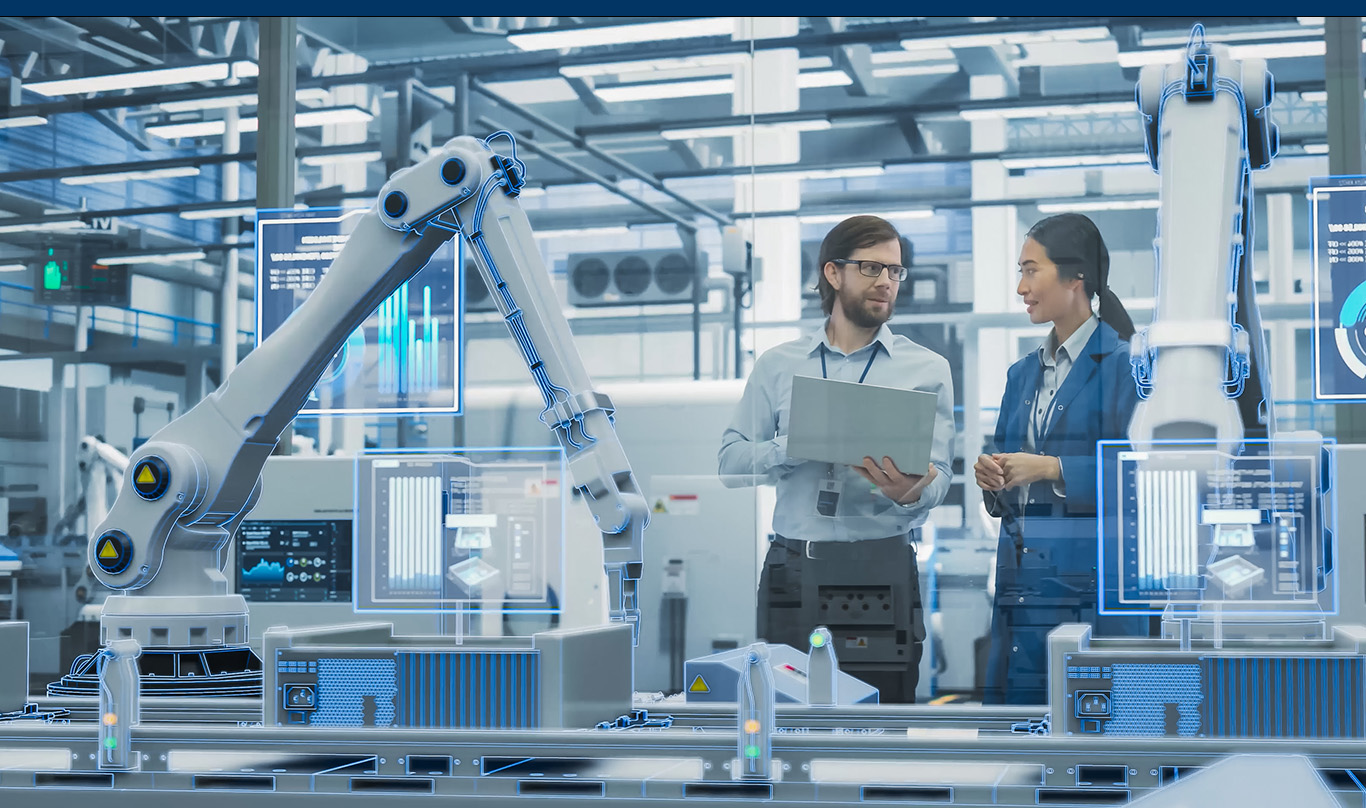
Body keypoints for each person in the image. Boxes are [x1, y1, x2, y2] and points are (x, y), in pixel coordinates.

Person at [718, 215, 955, 704]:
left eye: (895, 272)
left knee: (882, 724)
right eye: (872, 268)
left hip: (882, 566)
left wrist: (910, 491)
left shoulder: (927, 369)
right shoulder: (778, 365)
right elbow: (730, 463)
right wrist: (794, 445)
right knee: (787, 719)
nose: (886, 282)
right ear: (833, 273)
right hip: (795, 570)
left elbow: (940, 476)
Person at [975, 212, 1149, 705]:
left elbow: (1144, 477)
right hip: (1021, 585)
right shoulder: (1021, 374)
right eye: (1020, 271)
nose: (1020, 286)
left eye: (1031, 270)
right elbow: (1008, 483)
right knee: (1018, 738)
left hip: (1089, 586)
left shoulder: (1126, 366)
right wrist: (994, 479)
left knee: (1092, 738)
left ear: (1076, 278)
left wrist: (1053, 469)